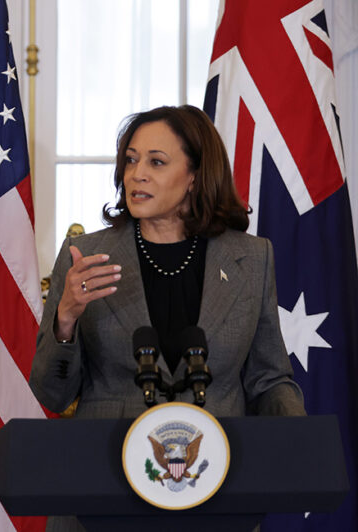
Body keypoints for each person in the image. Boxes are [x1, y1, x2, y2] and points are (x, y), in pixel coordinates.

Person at [31, 104, 304, 530]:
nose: (136, 174)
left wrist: (301, 441)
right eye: (131, 160)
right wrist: (65, 320)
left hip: (217, 489)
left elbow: (268, 379)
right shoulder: (86, 259)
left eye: (156, 162)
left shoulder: (251, 258)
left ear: (195, 175)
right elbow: (52, 394)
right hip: (103, 493)